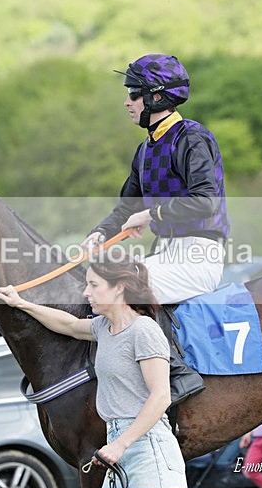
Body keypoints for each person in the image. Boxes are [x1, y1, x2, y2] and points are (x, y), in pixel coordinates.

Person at [0, 259, 187, 488]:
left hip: (147, 450)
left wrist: (120, 445)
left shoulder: (144, 331)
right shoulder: (104, 328)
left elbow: (161, 396)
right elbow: (69, 325)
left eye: (94, 285)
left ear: (119, 288)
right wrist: (21, 303)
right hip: (119, 444)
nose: (86, 292)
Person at [82, 53, 230, 305]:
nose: (127, 102)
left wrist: (151, 214)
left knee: (117, 291)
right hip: (162, 253)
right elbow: (128, 209)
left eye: (134, 94)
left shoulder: (191, 138)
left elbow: (206, 202)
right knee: (93, 285)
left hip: (198, 257)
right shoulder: (144, 149)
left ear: (157, 97)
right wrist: (100, 232)